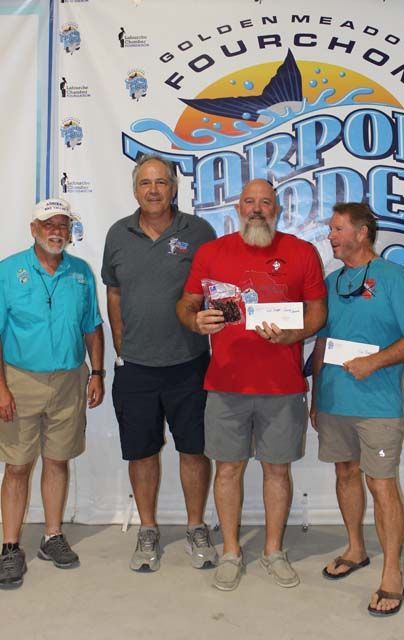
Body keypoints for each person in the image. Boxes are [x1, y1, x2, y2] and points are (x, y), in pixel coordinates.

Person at [177, 179, 326, 591]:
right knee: (227, 469)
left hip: (282, 385)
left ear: (277, 209)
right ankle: (230, 551)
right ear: (237, 207)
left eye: (265, 202)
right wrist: (195, 320)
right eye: (249, 202)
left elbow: (317, 313)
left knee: (277, 470)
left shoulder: (302, 252)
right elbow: (188, 303)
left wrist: (295, 335)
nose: (257, 208)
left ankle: (273, 551)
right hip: (225, 383)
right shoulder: (212, 252)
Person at [309, 203, 404, 617]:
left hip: (377, 406)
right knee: (345, 473)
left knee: (381, 485)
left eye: (338, 229)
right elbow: (321, 341)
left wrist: (374, 362)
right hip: (335, 402)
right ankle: (356, 549)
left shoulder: (394, 278)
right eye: (330, 229)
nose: (331, 235)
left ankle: (392, 571)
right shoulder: (331, 281)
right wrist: (316, 397)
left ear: (362, 233)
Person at [101, 154, 217, 573]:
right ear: (135, 190)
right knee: (142, 451)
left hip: (189, 363)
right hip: (136, 367)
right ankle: (148, 528)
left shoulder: (199, 231)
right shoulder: (118, 234)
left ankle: (195, 525)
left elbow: (214, 291)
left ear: (173, 188)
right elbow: (114, 293)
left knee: (194, 449)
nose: (153, 190)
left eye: (161, 182)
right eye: (145, 183)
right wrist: (119, 341)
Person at [0, 198, 104, 588]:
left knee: (57, 460)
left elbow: (93, 326)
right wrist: (1, 389)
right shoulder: (8, 271)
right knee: (17, 466)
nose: (56, 230)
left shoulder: (80, 273)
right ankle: (10, 546)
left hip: (68, 381)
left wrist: (97, 373)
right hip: (19, 380)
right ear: (34, 229)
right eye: (48, 225)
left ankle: (52, 536)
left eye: (63, 224)